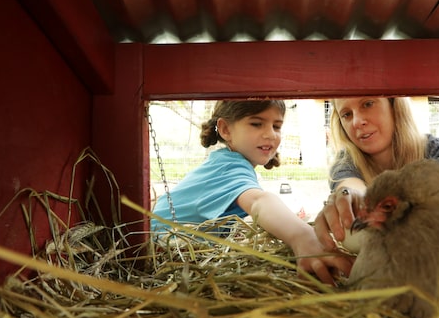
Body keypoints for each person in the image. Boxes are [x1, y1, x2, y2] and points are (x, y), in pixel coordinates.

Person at [151, 99, 352, 285]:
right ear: (225, 129)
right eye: (256, 124)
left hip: (178, 251)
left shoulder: (228, 162)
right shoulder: (228, 167)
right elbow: (259, 202)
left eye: (276, 126)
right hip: (161, 251)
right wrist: (304, 236)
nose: (271, 134)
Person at [314, 97, 439, 249]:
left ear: (394, 105)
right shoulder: (345, 163)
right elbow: (351, 188)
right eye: (347, 114)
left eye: (368, 104)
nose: (356, 122)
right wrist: (353, 198)